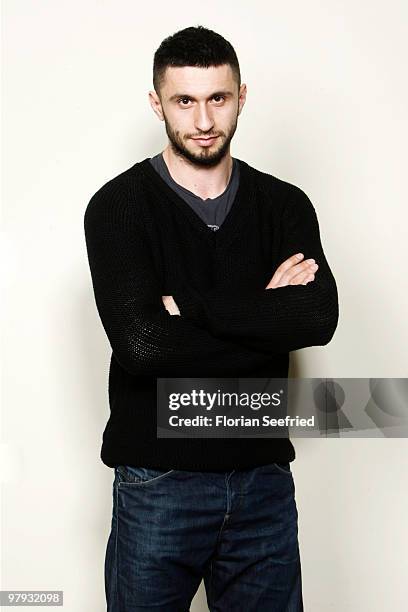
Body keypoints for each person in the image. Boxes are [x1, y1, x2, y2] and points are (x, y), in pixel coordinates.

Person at [84, 25, 339, 612]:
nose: (203, 120)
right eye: (184, 101)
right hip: (159, 481)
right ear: (158, 103)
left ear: (241, 96)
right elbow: (143, 347)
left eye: (218, 99)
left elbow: (316, 318)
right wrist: (266, 311)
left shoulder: (284, 204)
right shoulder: (119, 206)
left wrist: (190, 308)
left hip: (263, 476)